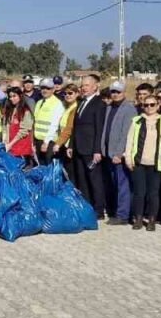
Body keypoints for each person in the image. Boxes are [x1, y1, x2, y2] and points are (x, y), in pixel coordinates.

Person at [125, 93, 161, 231]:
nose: (149, 107)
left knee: (153, 193)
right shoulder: (137, 121)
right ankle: (138, 218)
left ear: (157, 106)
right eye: (146, 105)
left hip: (156, 162)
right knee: (139, 193)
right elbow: (130, 140)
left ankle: (152, 219)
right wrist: (128, 158)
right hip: (139, 162)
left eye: (152, 104)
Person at [68, 75, 106, 215]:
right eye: (82, 85)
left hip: (91, 149)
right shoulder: (81, 103)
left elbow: (99, 128)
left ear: (95, 87)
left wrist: (97, 150)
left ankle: (99, 209)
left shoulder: (99, 104)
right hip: (79, 147)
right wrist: (71, 145)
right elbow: (75, 126)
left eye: (87, 85)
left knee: (94, 180)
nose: (83, 88)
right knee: (82, 179)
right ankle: (86, 206)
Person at [102, 81, 136, 226]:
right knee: (114, 184)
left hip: (118, 154)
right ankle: (115, 210)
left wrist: (119, 153)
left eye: (118, 92)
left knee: (123, 185)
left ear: (124, 93)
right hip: (108, 152)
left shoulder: (129, 109)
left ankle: (123, 215)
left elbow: (126, 133)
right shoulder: (109, 107)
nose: (115, 94)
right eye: (113, 92)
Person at [32, 79, 66, 166]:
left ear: (53, 90)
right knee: (39, 167)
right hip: (38, 140)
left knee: (48, 166)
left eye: (48, 88)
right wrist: (33, 142)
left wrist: (46, 142)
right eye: (43, 88)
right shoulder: (39, 102)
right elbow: (35, 122)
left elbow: (54, 125)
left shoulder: (57, 103)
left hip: (49, 142)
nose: (45, 90)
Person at [2, 87, 34, 160]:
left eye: (14, 96)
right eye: (10, 97)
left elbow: (24, 131)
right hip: (10, 147)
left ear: (20, 96)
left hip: (21, 148)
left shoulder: (25, 112)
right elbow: (5, 127)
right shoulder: (9, 111)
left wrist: (10, 144)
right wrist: (5, 141)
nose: (12, 99)